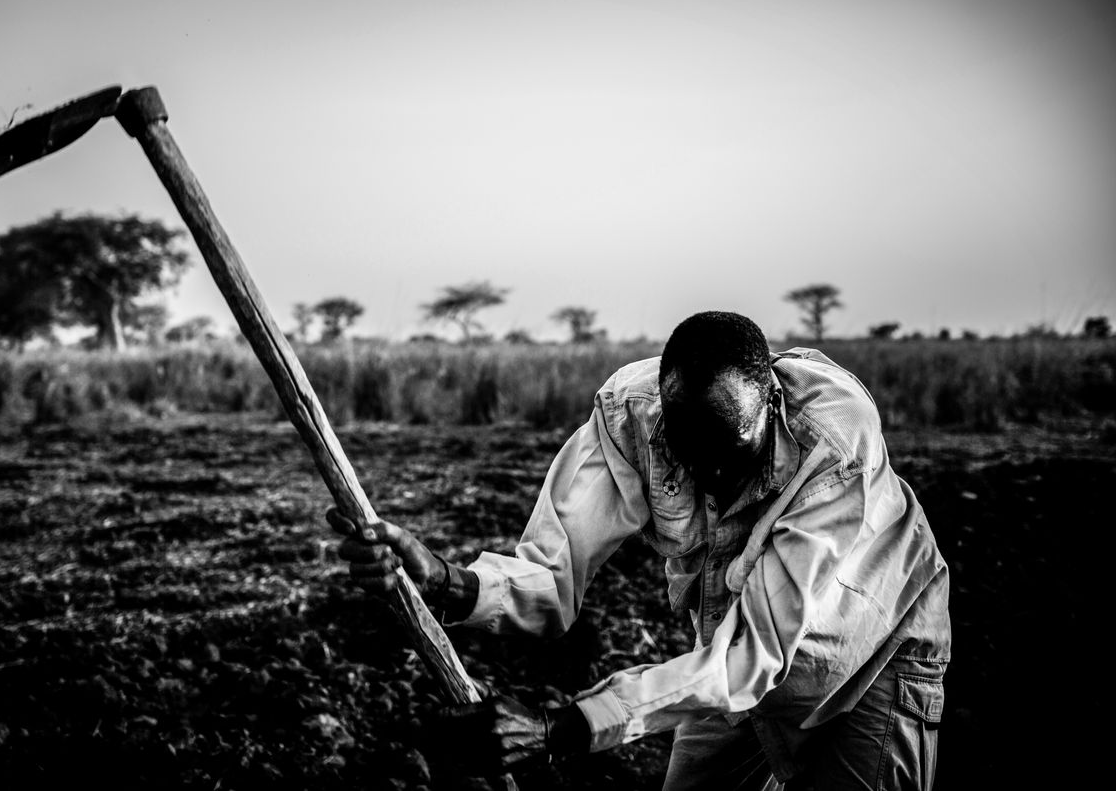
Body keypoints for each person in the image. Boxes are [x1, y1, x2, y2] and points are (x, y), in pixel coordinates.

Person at [327, 311, 951, 790]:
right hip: (727, 662)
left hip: (873, 658)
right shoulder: (631, 418)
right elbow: (552, 573)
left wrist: (564, 727)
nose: (711, 479)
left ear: (772, 403)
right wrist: (443, 582)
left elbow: (750, 657)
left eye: (729, 458)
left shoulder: (833, 449)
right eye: (690, 455)